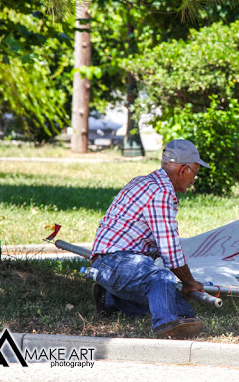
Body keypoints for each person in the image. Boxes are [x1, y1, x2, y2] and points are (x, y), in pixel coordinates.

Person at [89, 139, 208, 339]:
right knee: (161, 277)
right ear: (182, 170)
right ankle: (165, 324)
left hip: (108, 264)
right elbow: (170, 251)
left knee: (184, 311)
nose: (194, 179)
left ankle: (111, 299)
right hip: (118, 262)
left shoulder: (143, 181)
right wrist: (190, 283)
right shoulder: (160, 193)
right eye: (194, 173)